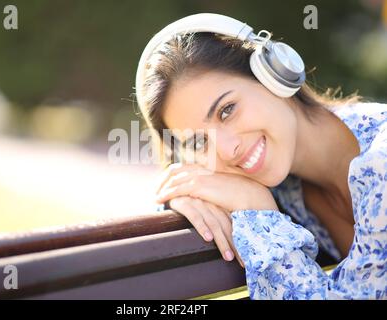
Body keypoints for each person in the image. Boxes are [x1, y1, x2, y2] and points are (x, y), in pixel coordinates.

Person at [134, 13, 386, 299]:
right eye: (200, 142)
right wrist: (184, 193)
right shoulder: (286, 188)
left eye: (227, 110)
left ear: (273, 75)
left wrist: (256, 208)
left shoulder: (382, 160)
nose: (227, 150)